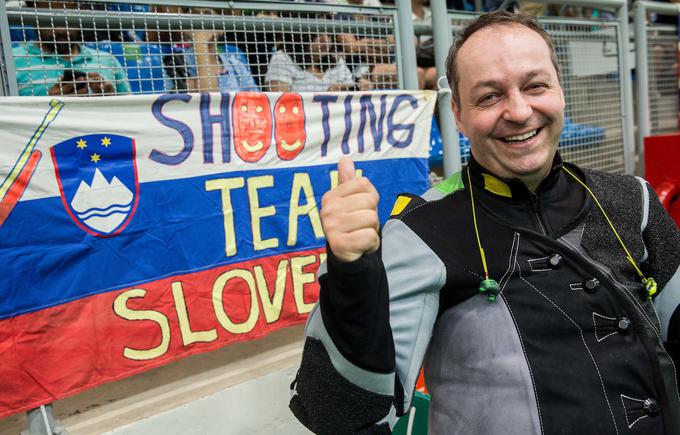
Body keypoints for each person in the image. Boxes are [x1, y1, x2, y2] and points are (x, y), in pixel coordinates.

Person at [289, 11, 680, 435]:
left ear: (559, 90)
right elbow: (342, 417)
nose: (518, 110)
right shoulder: (420, 232)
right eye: (489, 96)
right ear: (457, 114)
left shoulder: (633, 200)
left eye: (535, 86)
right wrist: (351, 273)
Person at [13, 1, 131, 96]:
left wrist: (112, 102)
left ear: (80, 11)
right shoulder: (11, 62)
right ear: (30, 11)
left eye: (67, 19)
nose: (61, 30)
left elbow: (132, 115)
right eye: (50, 20)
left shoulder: (108, 61)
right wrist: (50, 107)